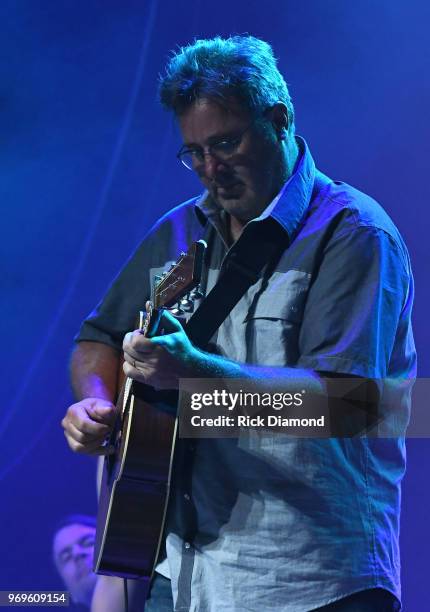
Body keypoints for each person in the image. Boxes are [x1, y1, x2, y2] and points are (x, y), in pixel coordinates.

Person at [61, 35, 415, 611]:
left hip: (309, 579)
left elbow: (345, 406)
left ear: (278, 119)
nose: (210, 170)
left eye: (226, 144)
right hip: (182, 574)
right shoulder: (180, 230)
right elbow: (97, 337)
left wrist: (193, 374)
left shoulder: (354, 236)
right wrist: (95, 404)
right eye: (194, 152)